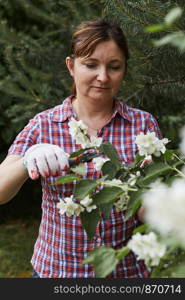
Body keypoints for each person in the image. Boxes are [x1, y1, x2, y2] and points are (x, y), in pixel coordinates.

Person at [0, 18, 162, 278]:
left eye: (114, 67)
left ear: (124, 70)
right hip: (57, 272)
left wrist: (148, 196)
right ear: (71, 66)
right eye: (90, 65)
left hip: (124, 273)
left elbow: (149, 211)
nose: (103, 77)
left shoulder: (142, 125)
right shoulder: (45, 125)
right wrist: (25, 161)